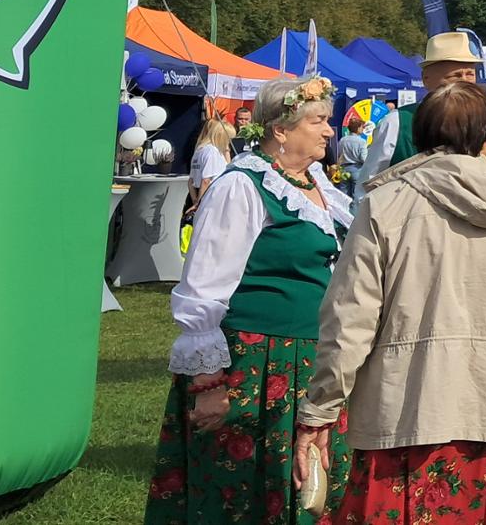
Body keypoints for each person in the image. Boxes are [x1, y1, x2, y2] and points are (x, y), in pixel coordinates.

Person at [294, 82, 486, 524]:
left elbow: (349, 322)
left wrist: (320, 409)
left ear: (419, 137)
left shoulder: (385, 205)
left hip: (404, 413)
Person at [146, 76, 354, 523]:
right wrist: (209, 384)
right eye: (319, 121)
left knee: (307, 485)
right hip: (255, 363)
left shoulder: (317, 184)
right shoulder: (241, 186)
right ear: (281, 129)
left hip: (311, 361)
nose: (329, 131)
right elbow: (203, 285)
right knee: (242, 492)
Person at [358, 32, 486, 187]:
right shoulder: (397, 123)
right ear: (426, 79)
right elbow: (368, 186)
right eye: (455, 76)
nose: (465, 83)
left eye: (470, 74)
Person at [189, 118, 235, 209]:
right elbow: (206, 180)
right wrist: (199, 204)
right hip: (214, 197)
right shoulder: (212, 152)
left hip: (205, 196)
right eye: (228, 138)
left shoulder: (199, 150)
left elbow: (191, 181)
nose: (229, 141)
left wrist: (195, 200)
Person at [336, 115, 369, 195]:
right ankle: (354, 208)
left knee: (343, 194)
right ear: (357, 128)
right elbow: (363, 158)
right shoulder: (362, 141)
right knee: (356, 195)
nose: (363, 129)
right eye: (362, 127)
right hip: (357, 169)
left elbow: (339, 154)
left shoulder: (342, 140)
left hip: (344, 169)